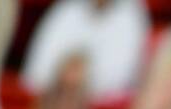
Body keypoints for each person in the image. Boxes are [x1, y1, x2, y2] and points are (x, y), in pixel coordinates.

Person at [21, 0, 149, 101]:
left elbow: (119, 83)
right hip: (48, 106)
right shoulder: (65, 9)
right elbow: (35, 74)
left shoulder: (132, 16)